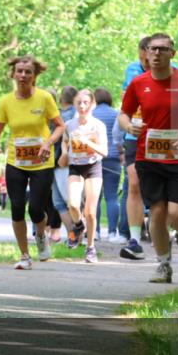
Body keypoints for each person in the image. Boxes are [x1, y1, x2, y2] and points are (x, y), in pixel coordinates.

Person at [118, 33, 178, 283]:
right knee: (157, 213)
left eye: (162, 49)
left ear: (173, 53)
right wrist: (128, 127)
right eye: (152, 49)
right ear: (146, 54)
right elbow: (123, 114)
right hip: (148, 157)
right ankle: (163, 265)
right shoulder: (138, 83)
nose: (157, 54)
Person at [0, 55, 65, 269]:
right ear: (13, 74)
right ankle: (24, 256)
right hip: (16, 160)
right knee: (17, 207)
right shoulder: (6, 101)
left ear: (35, 76)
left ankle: (41, 235)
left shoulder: (44, 98)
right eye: (19, 71)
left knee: (36, 209)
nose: (23, 75)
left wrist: (48, 143)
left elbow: (60, 126)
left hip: (41, 161)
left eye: (28, 72)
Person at [60, 89, 109, 263]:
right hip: (75, 166)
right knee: (72, 204)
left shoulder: (98, 126)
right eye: (79, 102)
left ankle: (90, 249)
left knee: (90, 211)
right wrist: (64, 153)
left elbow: (104, 151)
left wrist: (87, 142)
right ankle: (78, 226)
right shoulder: (70, 125)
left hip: (93, 167)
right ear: (74, 104)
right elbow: (65, 140)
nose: (82, 106)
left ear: (92, 104)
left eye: (85, 102)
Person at [91, 87, 123, 242]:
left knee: (95, 197)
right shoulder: (116, 114)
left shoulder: (91, 114)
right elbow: (120, 135)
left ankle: (95, 232)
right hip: (114, 159)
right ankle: (112, 232)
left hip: (95, 159)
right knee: (112, 197)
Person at [52, 86, 79, 245]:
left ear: (62, 99)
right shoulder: (77, 115)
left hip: (60, 162)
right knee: (63, 201)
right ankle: (74, 235)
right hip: (67, 161)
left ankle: (75, 234)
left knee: (64, 201)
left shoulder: (59, 116)